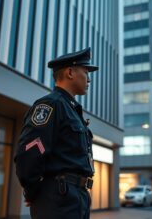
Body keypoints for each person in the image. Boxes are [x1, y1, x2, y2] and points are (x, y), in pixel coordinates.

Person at [14, 47, 98, 219]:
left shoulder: (71, 109)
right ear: (70, 72)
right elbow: (30, 152)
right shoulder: (51, 105)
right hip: (58, 199)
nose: (89, 79)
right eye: (85, 72)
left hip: (76, 197)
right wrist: (32, 192)